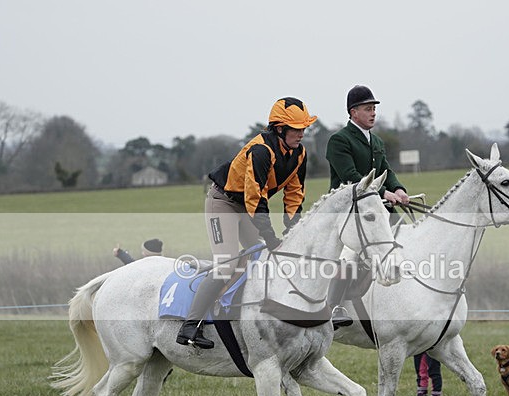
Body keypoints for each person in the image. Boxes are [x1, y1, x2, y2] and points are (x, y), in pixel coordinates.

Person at [175, 97, 317, 349]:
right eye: (297, 129)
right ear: (279, 129)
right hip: (223, 202)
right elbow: (255, 197)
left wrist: (293, 228)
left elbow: (294, 194)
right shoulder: (261, 150)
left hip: (246, 207)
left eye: (304, 128)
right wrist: (271, 236)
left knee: (259, 259)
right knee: (227, 264)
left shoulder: (299, 154)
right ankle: (190, 326)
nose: (302, 134)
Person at [325, 85, 411, 329]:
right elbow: (350, 176)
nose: (373, 113)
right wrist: (384, 191)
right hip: (349, 211)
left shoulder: (376, 141)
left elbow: (387, 171)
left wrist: (399, 189)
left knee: (404, 241)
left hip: (376, 210)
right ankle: (334, 306)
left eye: (374, 109)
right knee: (348, 254)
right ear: (353, 112)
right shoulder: (339, 140)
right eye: (367, 109)